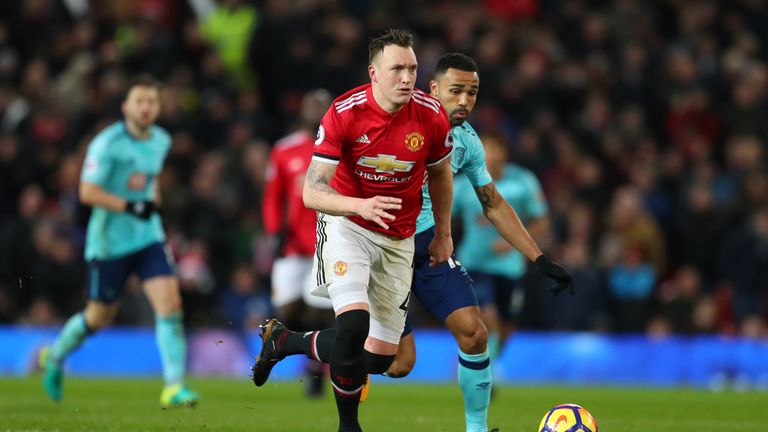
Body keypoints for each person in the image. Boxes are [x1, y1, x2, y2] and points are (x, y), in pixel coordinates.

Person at [251, 29, 454, 432]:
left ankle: (285, 342)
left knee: (380, 358)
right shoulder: (345, 112)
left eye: (412, 68)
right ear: (374, 73)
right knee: (352, 326)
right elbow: (312, 191)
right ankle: (349, 426)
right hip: (348, 225)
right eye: (397, 68)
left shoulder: (431, 115)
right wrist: (359, 205)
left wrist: (444, 232)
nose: (407, 78)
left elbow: (441, 174)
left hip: (398, 237)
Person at [382, 53, 572, 432]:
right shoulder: (397, 120)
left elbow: (493, 203)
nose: (465, 101)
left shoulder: (466, 142)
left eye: (472, 93)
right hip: (383, 247)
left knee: (475, 332)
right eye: (456, 91)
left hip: (429, 247)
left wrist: (538, 258)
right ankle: (293, 342)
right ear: (433, 89)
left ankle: (477, 429)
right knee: (397, 364)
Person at [39, 76, 199, 408]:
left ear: (157, 108)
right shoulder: (106, 144)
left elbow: (149, 179)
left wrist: (154, 206)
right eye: (139, 101)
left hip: (147, 237)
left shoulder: (161, 140)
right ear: (126, 107)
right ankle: (55, 357)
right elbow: (86, 192)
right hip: (110, 243)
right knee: (98, 317)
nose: (145, 108)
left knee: (170, 305)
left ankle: (173, 386)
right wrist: (130, 205)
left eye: (151, 102)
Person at [261, 88, 335, 397]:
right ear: (302, 111)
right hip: (291, 246)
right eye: (311, 105)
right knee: (287, 312)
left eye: (322, 106)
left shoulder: (342, 151)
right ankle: (287, 356)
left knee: (319, 312)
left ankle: (316, 369)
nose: (316, 111)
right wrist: (273, 231)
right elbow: (271, 198)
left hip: (326, 245)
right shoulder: (284, 150)